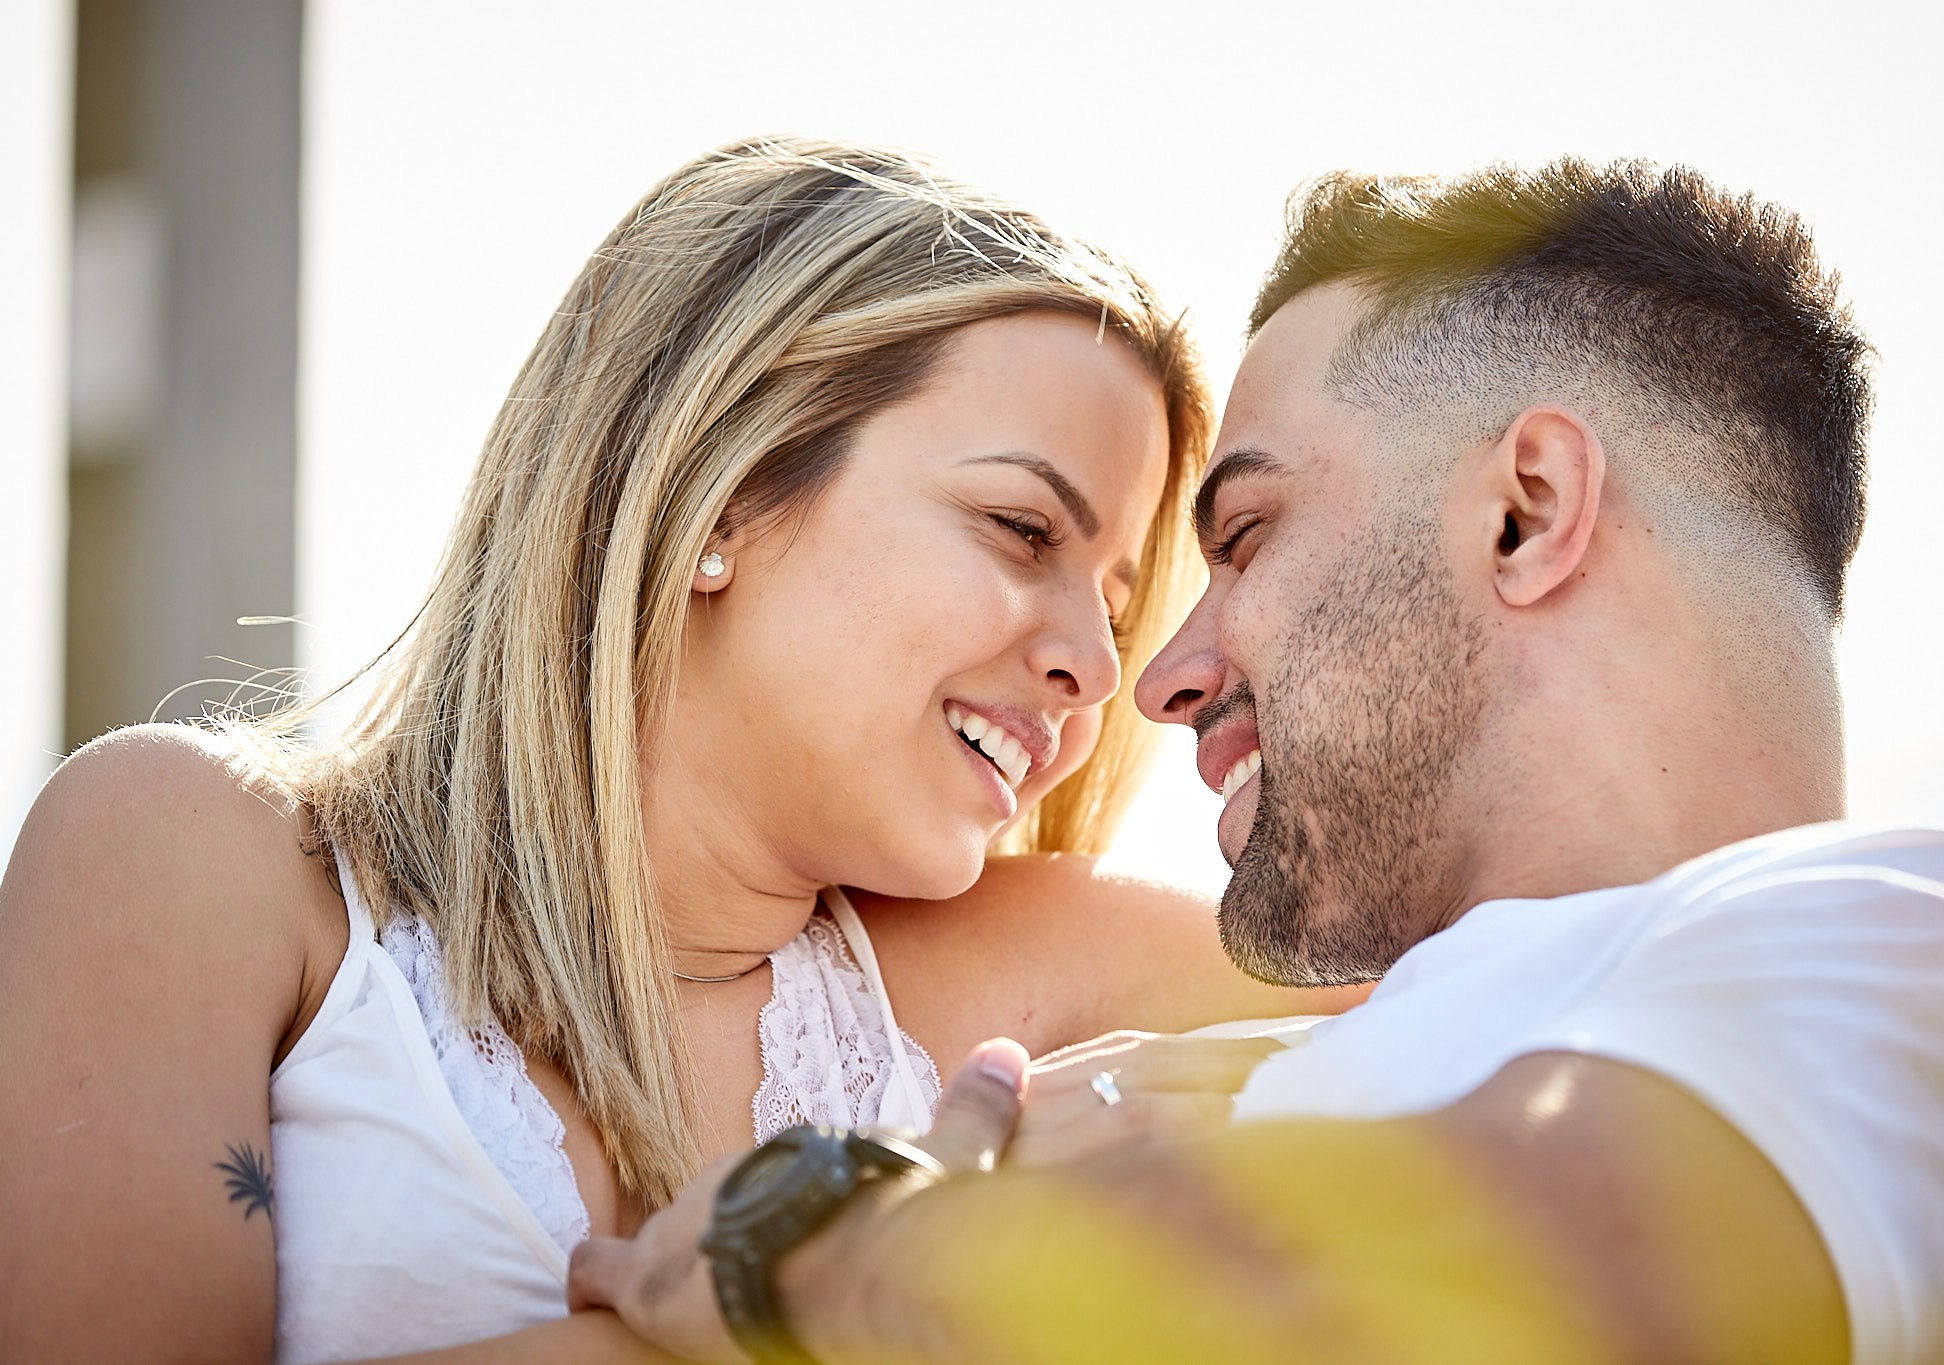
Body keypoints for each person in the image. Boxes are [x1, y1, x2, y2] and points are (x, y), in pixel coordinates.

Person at [568, 160, 1944, 1364]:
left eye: (1250, 532)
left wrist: (826, 1242)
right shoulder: (1257, 1065)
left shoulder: (1932, 932)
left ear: (1525, 512)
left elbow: (1446, 1296)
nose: (1163, 674)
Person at [0, 139, 1364, 1364]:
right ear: (725, 488)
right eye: (1021, 531)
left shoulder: (1028, 975)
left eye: (1121, 600)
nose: (1102, 664)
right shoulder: (196, 861)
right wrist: (817, 1295)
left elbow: (1553, 1021)